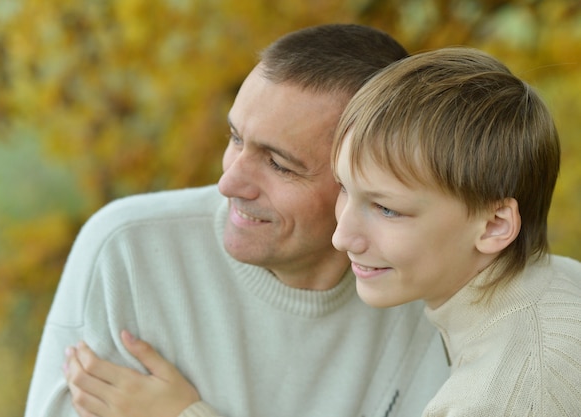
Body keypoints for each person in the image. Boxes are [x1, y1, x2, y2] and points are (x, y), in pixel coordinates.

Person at [25, 24, 451, 417]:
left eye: (279, 164)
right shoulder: (128, 253)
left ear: (363, 184)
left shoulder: (424, 290)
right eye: (235, 139)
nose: (229, 182)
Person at [331, 46, 581, 416]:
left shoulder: (502, 398)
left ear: (495, 225)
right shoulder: (560, 280)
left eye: (387, 209)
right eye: (343, 188)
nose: (341, 237)